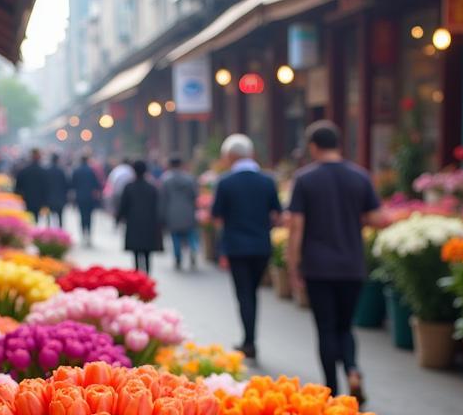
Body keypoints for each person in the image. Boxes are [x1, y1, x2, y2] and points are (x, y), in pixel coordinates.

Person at [286, 120, 383, 400]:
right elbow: (378, 219)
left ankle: (331, 389)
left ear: (313, 146)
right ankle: (352, 369)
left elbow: (296, 229)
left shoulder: (305, 179)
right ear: (338, 143)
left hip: (319, 267)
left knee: (326, 327)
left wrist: (293, 265)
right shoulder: (360, 176)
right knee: (345, 325)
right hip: (351, 264)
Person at [211, 134, 282, 362]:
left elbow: (216, 216)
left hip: (237, 247)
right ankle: (250, 339)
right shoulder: (267, 181)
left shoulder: (225, 182)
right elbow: (277, 213)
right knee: (252, 292)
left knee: (245, 295)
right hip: (261, 246)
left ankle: (249, 341)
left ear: (230, 156)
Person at [116, 160, 162, 273]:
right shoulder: (152, 188)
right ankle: (147, 276)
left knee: (136, 253)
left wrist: (118, 219)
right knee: (147, 253)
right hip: (149, 223)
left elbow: (123, 206)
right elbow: (158, 207)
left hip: (133, 223)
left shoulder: (129, 187)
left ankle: (137, 275)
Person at [159, 156, 199, 270]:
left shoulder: (165, 179)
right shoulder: (189, 178)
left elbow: (163, 198)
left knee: (175, 237)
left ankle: (178, 257)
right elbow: (194, 195)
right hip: (188, 211)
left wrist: (161, 216)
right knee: (191, 234)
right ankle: (193, 250)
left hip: (172, 212)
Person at [70, 153, 102, 246]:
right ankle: (89, 235)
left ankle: (83, 234)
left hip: (80, 197)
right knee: (89, 216)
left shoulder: (77, 171)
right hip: (89, 197)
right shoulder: (91, 171)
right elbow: (97, 184)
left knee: (82, 216)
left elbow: (73, 184)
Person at [15, 148, 49, 222]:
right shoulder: (44, 172)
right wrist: (45, 202)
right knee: (35, 220)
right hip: (39, 202)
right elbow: (47, 189)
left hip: (26, 201)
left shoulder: (24, 171)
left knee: (28, 221)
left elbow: (17, 189)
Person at [45, 153, 69, 227]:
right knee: (60, 216)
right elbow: (66, 185)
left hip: (49, 197)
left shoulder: (47, 171)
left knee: (48, 217)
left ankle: (49, 230)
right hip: (60, 198)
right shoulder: (61, 171)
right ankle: (60, 230)